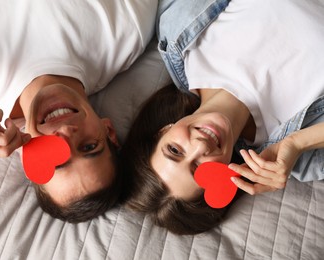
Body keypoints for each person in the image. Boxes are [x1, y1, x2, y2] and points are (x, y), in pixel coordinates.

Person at [0, 0, 158, 222]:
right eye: (89, 146)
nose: (66, 133)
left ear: (28, 159)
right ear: (108, 130)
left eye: (57, 159)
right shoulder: (125, 32)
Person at [120, 0, 324, 235]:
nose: (200, 146)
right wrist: (298, 142)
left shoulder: (177, 34)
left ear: (164, 130)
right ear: (223, 181)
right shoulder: (304, 157)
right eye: (199, 169)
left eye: (175, 150)